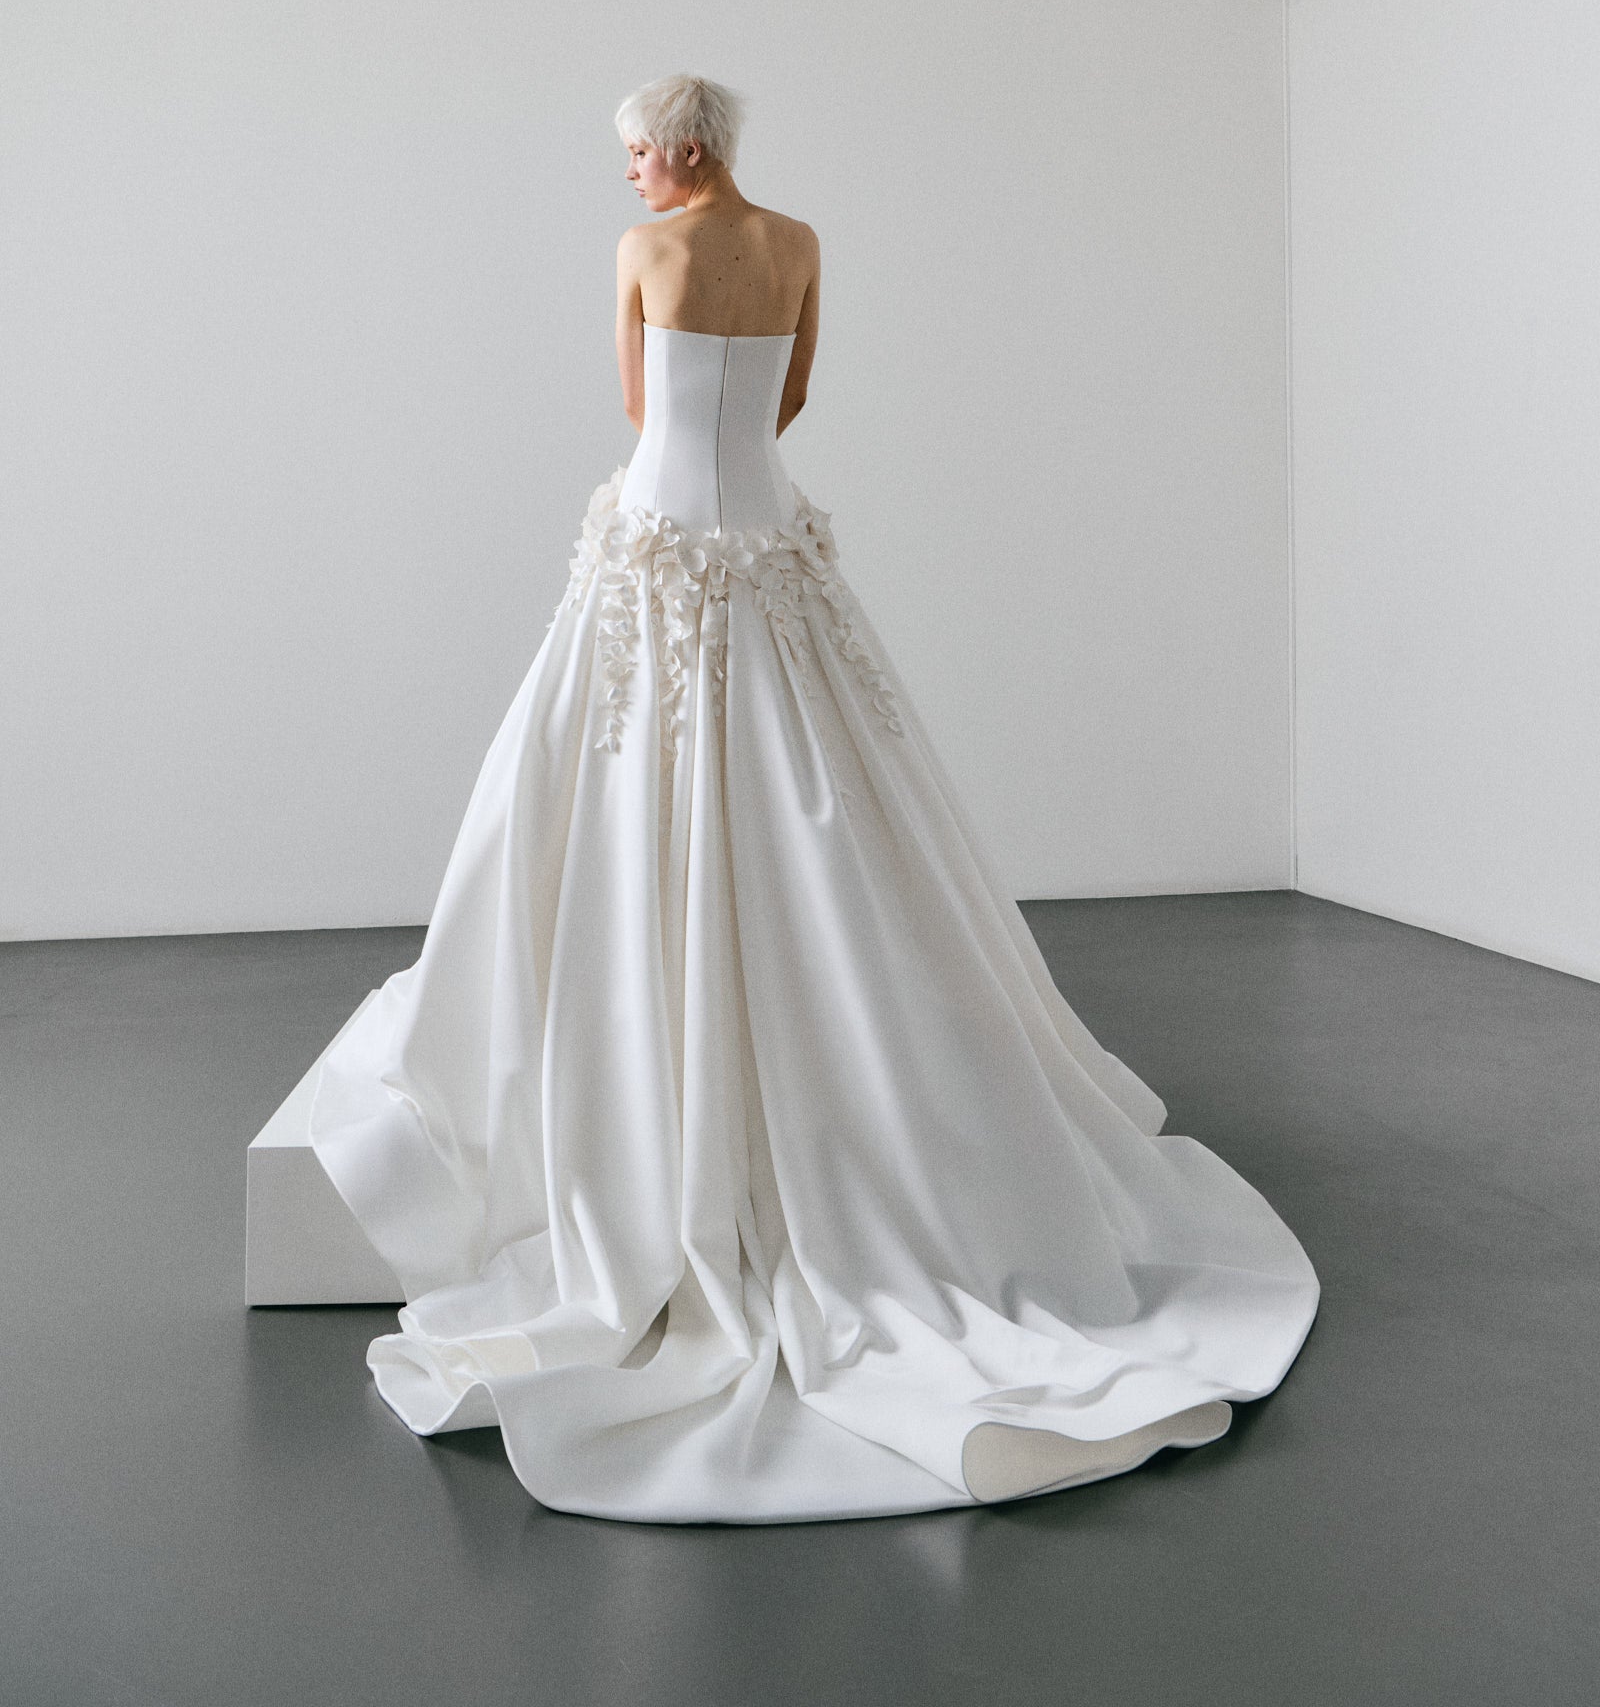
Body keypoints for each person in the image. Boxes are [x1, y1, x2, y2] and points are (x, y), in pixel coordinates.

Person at [307, 73, 1318, 1523]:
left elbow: (637, 399)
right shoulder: (799, 241)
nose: (634, 180)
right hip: (766, 528)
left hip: (660, 533)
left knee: (613, 793)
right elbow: (789, 397)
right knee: (830, 799)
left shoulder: (642, 254)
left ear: (681, 145)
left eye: (639, 156)